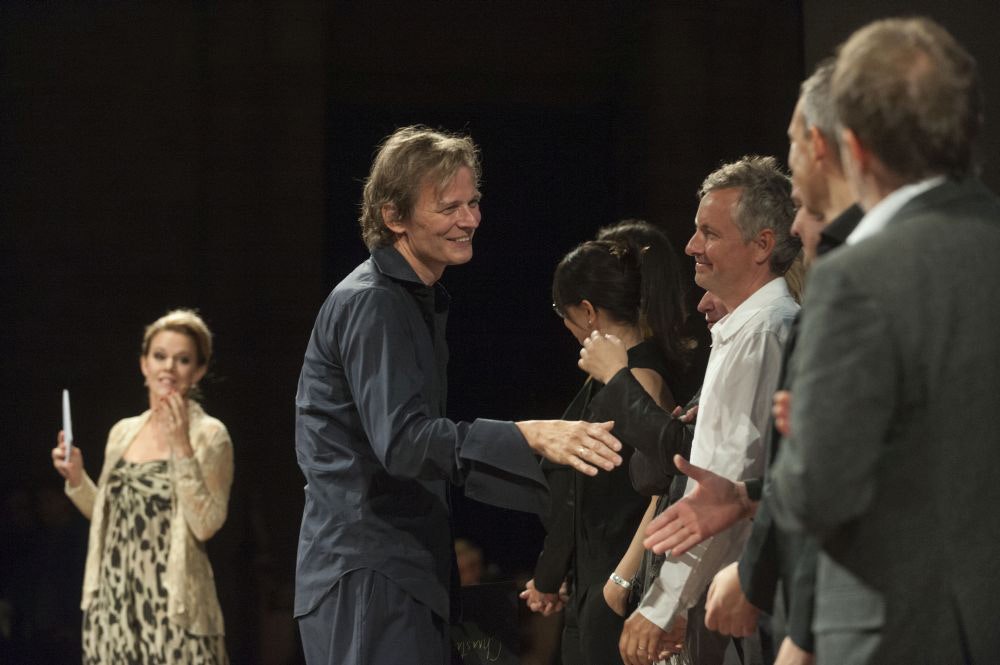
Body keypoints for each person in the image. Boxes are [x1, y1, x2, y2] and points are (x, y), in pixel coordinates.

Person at [293, 125, 624, 665]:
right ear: (393, 216)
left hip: (399, 569)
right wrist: (528, 436)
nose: (469, 220)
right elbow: (405, 444)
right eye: (449, 207)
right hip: (369, 573)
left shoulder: (411, 300)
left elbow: (432, 454)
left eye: (473, 203)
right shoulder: (373, 302)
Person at [768, 17, 1000, 664]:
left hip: (896, 632)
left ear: (853, 147)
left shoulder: (858, 277)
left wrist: (803, 439)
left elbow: (819, 492)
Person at [581, 156, 799, 664]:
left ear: (762, 245)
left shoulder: (764, 333)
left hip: (743, 604)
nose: (691, 246)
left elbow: (721, 485)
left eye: (709, 233)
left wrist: (663, 604)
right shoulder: (745, 330)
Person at [521, 219, 691, 665]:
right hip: (594, 583)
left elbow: (667, 488)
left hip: (617, 590)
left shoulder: (639, 378)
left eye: (563, 312)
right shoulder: (613, 377)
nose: (565, 325)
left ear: (587, 311)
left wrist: (619, 584)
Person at [51, 309, 232, 664]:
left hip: (175, 610)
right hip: (112, 604)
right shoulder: (122, 432)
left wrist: (181, 447)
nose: (169, 367)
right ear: (144, 365)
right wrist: (77, 479)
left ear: (198, 372)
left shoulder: (210, 435)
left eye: (183, 360)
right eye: (160, 356)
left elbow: (206, 524)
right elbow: (109, 519)